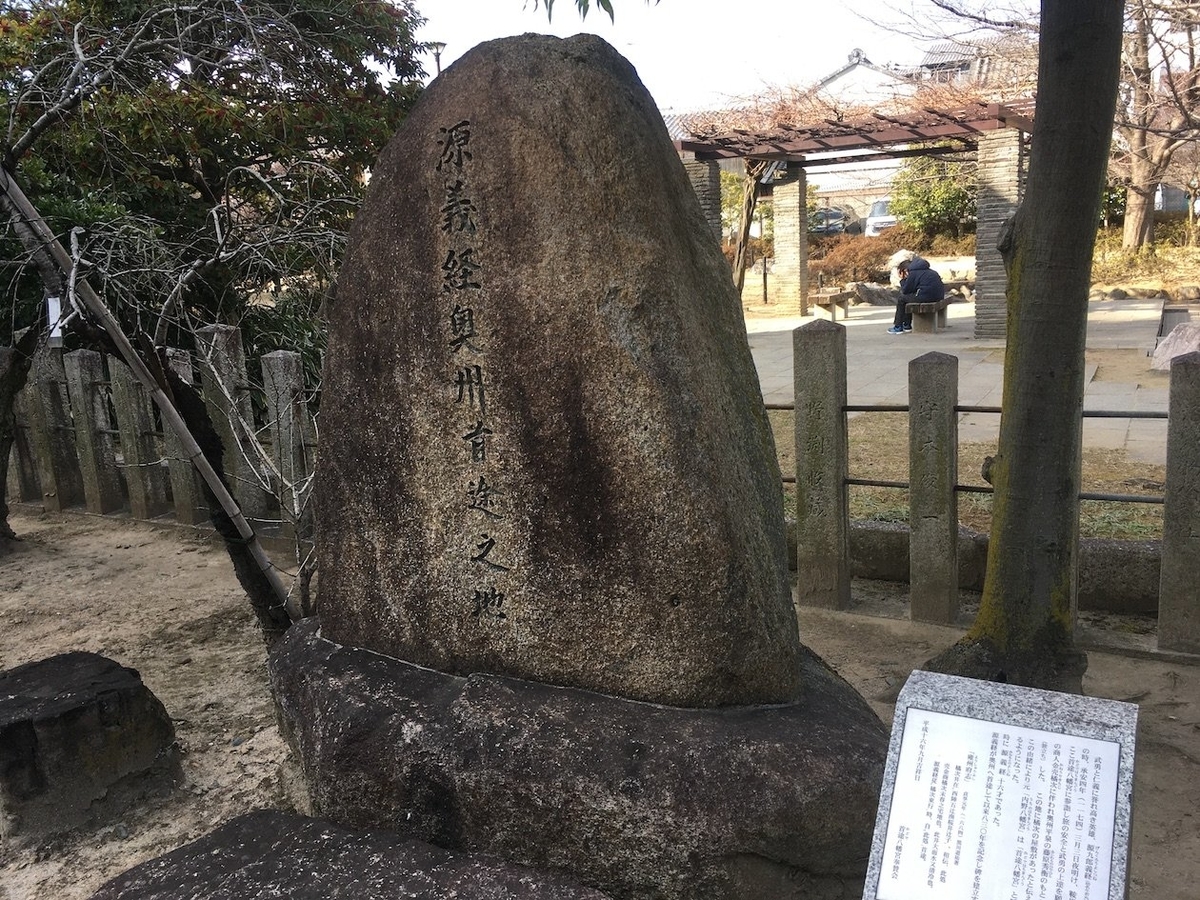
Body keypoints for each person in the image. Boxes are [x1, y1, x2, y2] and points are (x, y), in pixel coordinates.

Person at [887, 256, 945, 334]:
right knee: (909, 298)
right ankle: (907, 325)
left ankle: (898, 326)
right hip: (938, 297)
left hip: (927, 297)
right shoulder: (929, 271)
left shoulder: (913, 273)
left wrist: (903, 279)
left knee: (902, 299)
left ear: (904, 271)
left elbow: (905, 290)